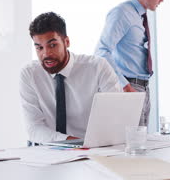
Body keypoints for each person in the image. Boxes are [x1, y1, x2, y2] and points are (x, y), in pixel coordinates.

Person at [19, 12, 121, 144]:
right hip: (48, 148)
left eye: (52, 45)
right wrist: (71, 142)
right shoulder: (29, 74)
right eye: (39, 48)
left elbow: (115, 115)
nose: (46, 54)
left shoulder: (97, 67)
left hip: (91, 148)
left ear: (66, 42)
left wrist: (88, 144)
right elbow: (34, 128)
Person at [95, 0, 169, 126]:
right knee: (129, 144)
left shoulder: (140, 15)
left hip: (142, 88)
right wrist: (125, 86)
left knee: (140, 143)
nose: (162, 0)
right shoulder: (122, 13)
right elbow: (101, 52)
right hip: (129, 86)